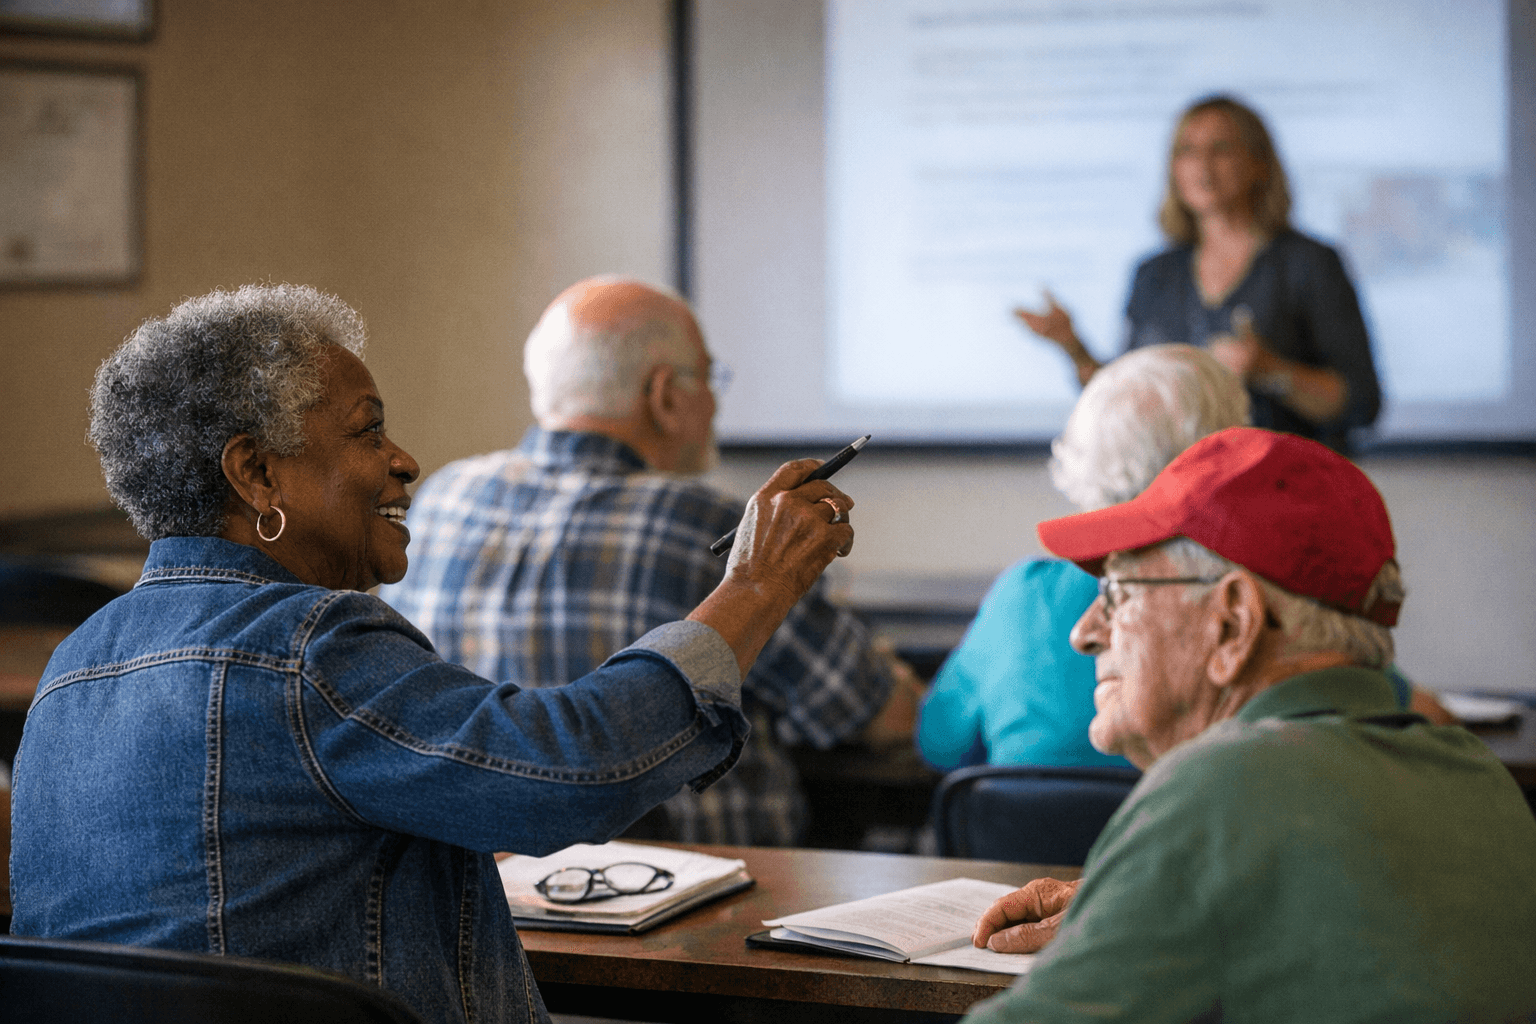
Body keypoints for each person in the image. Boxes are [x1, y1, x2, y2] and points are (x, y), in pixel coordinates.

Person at [8, 284, 859, 1024]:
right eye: (368, 432)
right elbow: (577, 768)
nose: (404, 461)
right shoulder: (309, 650)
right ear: (258, 475)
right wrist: (755, 585)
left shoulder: (70, 671)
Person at [961, 427, 1536, 1022]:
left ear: (1233, 625)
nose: (1084, 633)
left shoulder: (1223, 787)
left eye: (1118, 591)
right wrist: (1131, 909)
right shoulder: (1480, 779)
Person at [380, 277, 920, 846]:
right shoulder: (705, 524)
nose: (714, 399)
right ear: (665, 396)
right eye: (709, 378)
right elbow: (879, 713)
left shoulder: (441, 499)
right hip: (697, 896)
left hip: (493, 895)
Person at [918, 345, 1247, 771]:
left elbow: (939, 744)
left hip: (1028, 839)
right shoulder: (1241, 604)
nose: (1087, 631)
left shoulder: (1023, 597)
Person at [1016, 95, 1381, 451]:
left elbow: (1362, 404)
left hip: (1285, 494)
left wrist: (1272, 370)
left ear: (1258, 163)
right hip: (1177, 497)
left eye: (1220, 149)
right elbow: (1126, 401)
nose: (1202, 164)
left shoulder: (1310, 263)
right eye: (1186, 151)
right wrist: (1074, 349)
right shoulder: (1154, 274)